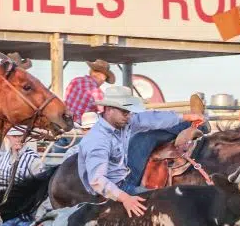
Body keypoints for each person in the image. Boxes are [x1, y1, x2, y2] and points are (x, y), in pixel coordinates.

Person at [77, 86, 205, 217]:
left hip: (125, 175)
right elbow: (97, 180)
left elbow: (148, 119)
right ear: (109, 110)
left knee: (149, 134)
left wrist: (185, 116)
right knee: (163, 201)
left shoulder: (121, 122)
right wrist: (125, 198)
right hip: (114, 189)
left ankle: (193, 124)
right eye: (125, 112)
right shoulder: (97, 140)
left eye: (129, 112)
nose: (128, 116)